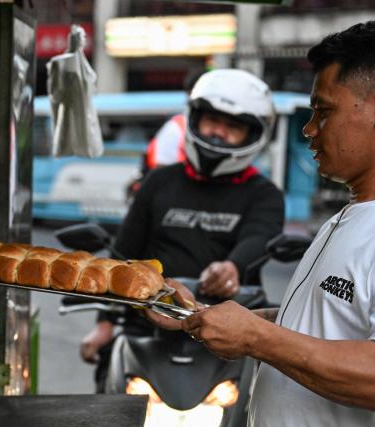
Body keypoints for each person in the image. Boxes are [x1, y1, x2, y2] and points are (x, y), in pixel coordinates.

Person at [149, 20, 375, 427]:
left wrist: (255, 337)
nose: (309, 129)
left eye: (323, 111)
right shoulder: (348, 217)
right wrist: (199, 313)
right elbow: (323, 324)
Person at [80, 69, 286, 391]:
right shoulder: (159, 181)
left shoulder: (265, 194)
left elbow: (259, 237)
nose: (219, 133)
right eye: (212, 121)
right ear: (194, 119)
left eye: (233, 126)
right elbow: (124, 254)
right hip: (145, 330)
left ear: (253, 135)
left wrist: (232, 267)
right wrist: (104, 324)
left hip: (227, 339)